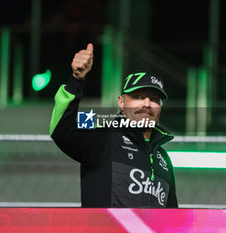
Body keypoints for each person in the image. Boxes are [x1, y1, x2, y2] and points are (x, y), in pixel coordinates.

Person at [50, 43, 178, 208]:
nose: (147, 103)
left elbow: (173, 218)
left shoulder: (164, 159)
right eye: (138, 96)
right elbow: (61, 131)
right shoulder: (103, 137)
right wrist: (76, 80)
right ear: (121, 103)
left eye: (154, 99)